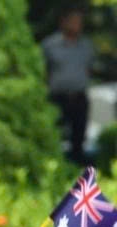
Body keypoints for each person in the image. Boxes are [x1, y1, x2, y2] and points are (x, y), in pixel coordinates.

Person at [42, 7, 94, 164]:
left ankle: (77, 168)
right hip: (58, 97)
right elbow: (43, 71)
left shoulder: (86, 46)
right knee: (54, 135)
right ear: (63, 22)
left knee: (78, 136)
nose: (77, 25)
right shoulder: (50, 45)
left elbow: (89, 68)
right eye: (73, 21)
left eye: (79, 22)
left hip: (79, 97)